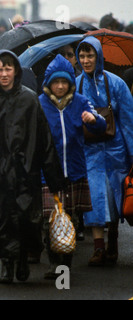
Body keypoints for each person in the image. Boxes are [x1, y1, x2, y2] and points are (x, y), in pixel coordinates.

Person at [0, 50, 65, 284]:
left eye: (8, 68)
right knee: (0, 222)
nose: (4, 74)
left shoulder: (30, 99)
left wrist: (54, 178)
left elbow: (44, 140)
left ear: (16, 71)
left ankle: (21, 259)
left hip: (25, 173)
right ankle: (6, 264)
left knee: (26, 221)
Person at [39, 54, 106, 279]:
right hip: (48, 173)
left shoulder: (79, 101)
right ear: (49, 83)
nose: (60, 86)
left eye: (64, 82)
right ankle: (53, 262)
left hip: (75, 171)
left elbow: (101, 125)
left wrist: (94, 120)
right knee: (50, 220)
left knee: (70, 219)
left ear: (70, 83)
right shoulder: (40, 103)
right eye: (56, 82)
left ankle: (65, 262)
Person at [75, 37, 133, 266]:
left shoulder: (116, 83)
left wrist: (131, 153)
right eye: (82, 56)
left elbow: (128, 121)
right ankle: (99, 248)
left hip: (115, 150)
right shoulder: (76, 84)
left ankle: (113, 243)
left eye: (90, 56)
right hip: (90, 153)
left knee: (115, 199)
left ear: (98, 56)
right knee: (94, 199)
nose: (86, 60)